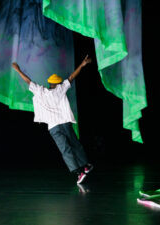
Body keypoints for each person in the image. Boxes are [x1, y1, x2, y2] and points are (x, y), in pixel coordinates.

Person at [12, 55, 93, 184]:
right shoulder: (61, 89)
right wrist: (82, 65)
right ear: (57, 83)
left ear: (50, 83)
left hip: (54, 127)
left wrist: (18, 70)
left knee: (65, 150)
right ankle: (86, 165)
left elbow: (28, 81)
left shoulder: (40, 91)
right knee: (75, 144)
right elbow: (72, 77)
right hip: (65, 123)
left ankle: (79, 172)